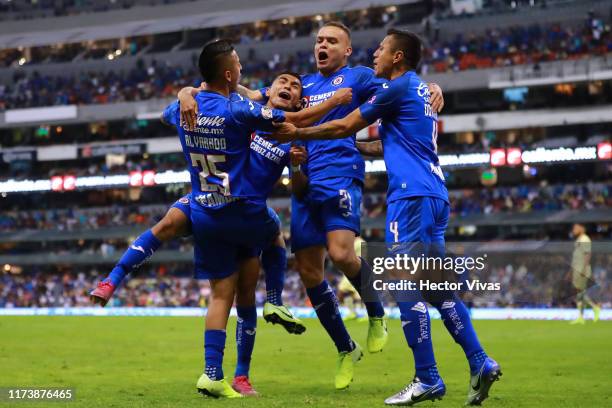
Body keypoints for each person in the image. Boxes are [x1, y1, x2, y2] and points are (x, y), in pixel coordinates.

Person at [271, 29, 500, 406]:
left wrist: (300, 131)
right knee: (438, 289)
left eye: (381, 49)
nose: (374, 52)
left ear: (397, 57)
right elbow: (379, 142)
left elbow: (345, 126)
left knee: (403, 281)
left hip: (409, 196)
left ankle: (427, 377)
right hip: (435, 195)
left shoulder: (394, 88)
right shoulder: (416, 91)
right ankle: (479, 360)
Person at [236, 21, 444, 390]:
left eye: (332, 41)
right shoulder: (300, 85)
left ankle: (376, 312)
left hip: (341, 176)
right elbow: (252, 94)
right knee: (310, 272)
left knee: (343, 254)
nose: (324, 45)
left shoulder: (360, 77)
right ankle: (345, 347)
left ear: (347, 50)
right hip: (304, 182)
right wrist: (199, 87)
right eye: (319, 40)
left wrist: (433, 86)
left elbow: (405, 84)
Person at [156, 39, 354, 399]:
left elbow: (298, 187)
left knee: (246, 297)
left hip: (247, 217)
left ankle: (242, 372)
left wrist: (297, 164)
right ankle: (269, 308)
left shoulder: (291, 140)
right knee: (254, 260)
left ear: (297, 102)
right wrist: (188, 91)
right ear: (268, 91)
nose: (287, 86)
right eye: (282, 82)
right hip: (223, 207)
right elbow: (220, 86)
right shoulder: (246, 109)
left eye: (294, 87)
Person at [569, 223, 600, 324]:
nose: (573, 230)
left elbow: (588, 254)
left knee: (579, 292)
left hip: (581, 269)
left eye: (575, 228)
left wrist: (583, 269)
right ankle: (582, 316)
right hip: (577, 268)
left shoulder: (585, 239)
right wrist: (570, 271)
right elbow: (576, 257)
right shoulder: (579, 240)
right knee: (579, 293)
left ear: (582, 228)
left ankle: (593, 308)